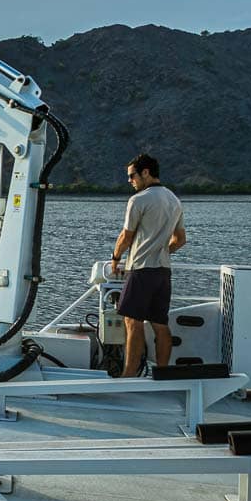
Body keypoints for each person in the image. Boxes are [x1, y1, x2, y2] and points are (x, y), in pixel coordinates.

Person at [110, 153, 185, 377]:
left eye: (132, 176)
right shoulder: (174, 200)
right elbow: (180, 240)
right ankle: (162, 374)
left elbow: (126, 236)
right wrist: (161, 250)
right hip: (163, 271)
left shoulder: (139, 200)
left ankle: (128, 376)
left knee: (132, 322)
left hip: (141, 269)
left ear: (145, 172)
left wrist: (115, 258)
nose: (129, 181)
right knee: (160, 324)